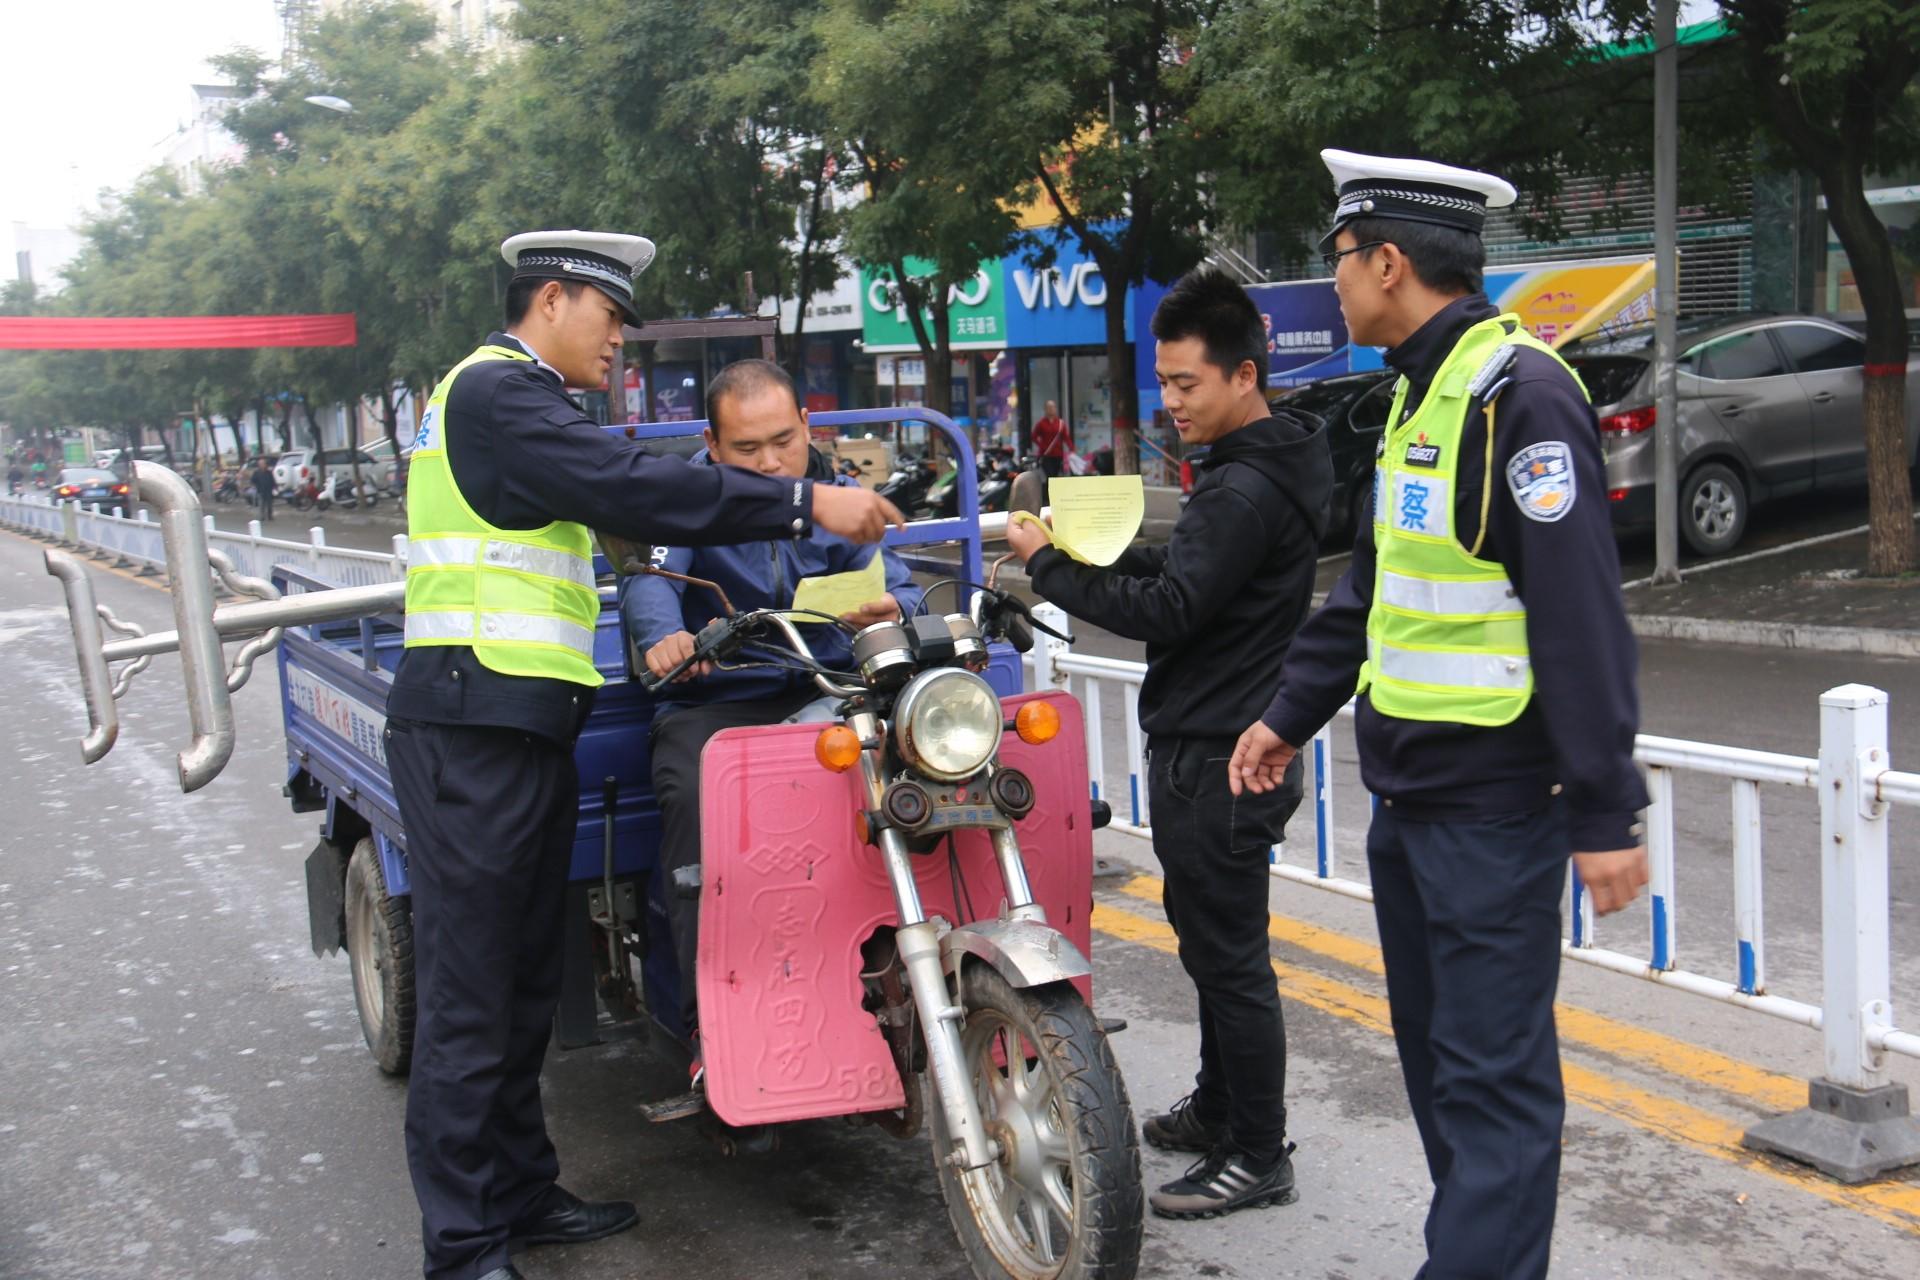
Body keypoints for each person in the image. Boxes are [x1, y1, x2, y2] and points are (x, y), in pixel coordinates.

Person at [384, 231, 903, 1280]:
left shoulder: (524, 403)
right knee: (470, 997)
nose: (621, 339)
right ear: (556, 299)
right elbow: (643, 495)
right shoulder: (499, 395)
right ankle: (463, 1243)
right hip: (469, 725)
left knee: (528, 978)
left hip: (518, 724)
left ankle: (523, 1190)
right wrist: (806, 498)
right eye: (611, 316)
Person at [1228, 150, 1651, 1279]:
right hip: (1411, 811)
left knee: (1494, 1093)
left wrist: (1607, 807)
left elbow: (1580, 618)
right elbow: (1373, 589)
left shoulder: (1525, 394)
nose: (1333, 285)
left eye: (1339, 261)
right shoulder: (1423, 387)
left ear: (1390, 261)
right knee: (1444, 1080)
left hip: (1494, 818)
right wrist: (1288, 715)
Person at [1004, 267, 1332, 1220]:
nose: (1173, 402)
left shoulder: (1242, 489)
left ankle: (1258, 1151)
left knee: (1230, 960)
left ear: (1242, 375)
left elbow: (1175, 605)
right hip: (1220, 739)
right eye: (1165, 383)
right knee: (1210, 947)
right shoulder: (1257, 469)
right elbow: (1190, 571)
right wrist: (1093, 551)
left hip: (1221, 753)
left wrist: (1051, 568)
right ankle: (1223, 1105)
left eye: (1188, 385)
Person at [619, 357, 925, 1059]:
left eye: (783, 441)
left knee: (926, 765)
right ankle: (707, 1025)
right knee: (695, 797)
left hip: (828, 691)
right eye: (747, 449)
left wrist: (894, 607)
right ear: (713, 443)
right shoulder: (682, 498)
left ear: (807, 426)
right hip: (719, 700)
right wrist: (667, 640)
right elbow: (652, 579)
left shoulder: (837, 499)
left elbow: (900, 583)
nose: (770, 462)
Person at [1031, 398, 1071, 477]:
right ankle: (1048, 488)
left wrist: (1072, 449)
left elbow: (1066, 437)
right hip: (1046, 455)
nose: (1051, 409)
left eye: (1053, 407)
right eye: (1049, 407)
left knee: (1056, 476)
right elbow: (1033, 437)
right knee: (1050, 475)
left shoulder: (1060, 423)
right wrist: (1042, 446)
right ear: (1045, 409)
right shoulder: (1041, 423)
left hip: (1058, 455)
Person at [250, 454, 275, 522]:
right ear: (259, 465)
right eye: (261, 464)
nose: (262, 465)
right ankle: (262, 516)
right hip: (260, 491)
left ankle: (270, 516)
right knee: (261, 505)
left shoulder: (268, 472)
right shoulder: (257, 472)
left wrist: (274, 487)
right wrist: (254, 485)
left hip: (268, 491)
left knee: (269, 505)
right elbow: (252, 480)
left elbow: (272, 480)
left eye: (263, 463)